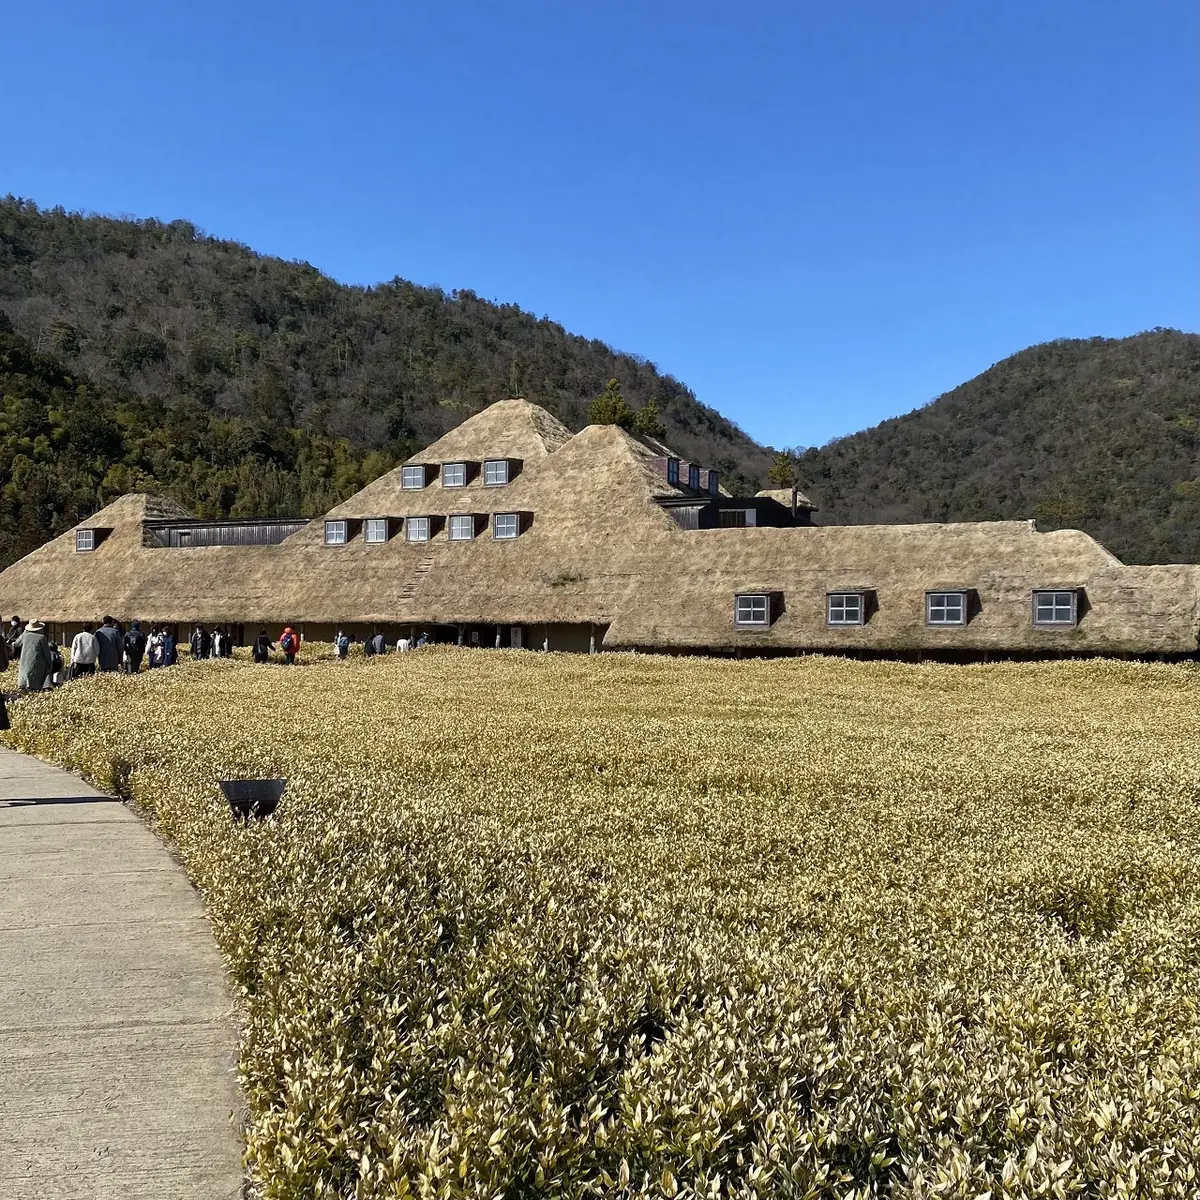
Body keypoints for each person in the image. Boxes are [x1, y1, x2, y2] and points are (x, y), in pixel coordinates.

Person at [17, 620, 52, 692]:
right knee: (35, 685)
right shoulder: (42, 638)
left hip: (25, 663)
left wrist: (24, 632)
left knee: (26, 682)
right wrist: (49, 665)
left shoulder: (24, 636)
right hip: (37, 664)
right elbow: (46, 653)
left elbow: (16, 644)